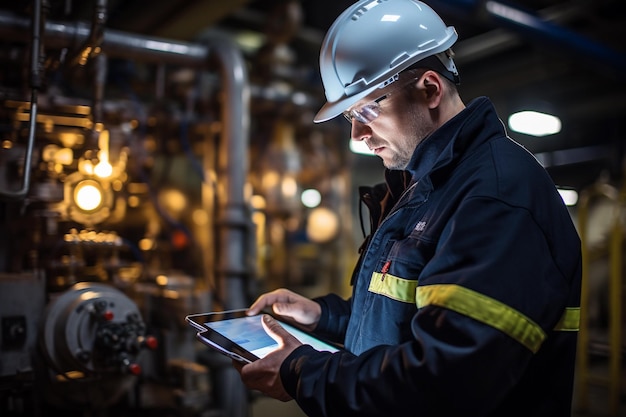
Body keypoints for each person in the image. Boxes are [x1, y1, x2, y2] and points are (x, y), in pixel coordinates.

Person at [235, 0, 582, 416]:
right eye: (349, 115)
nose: (358, 133)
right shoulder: (425, 187)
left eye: (366, 109)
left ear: (430, 89)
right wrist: (322, 317)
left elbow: (446, 383)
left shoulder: (495, 196)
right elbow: (404, 325)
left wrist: (302, 372)